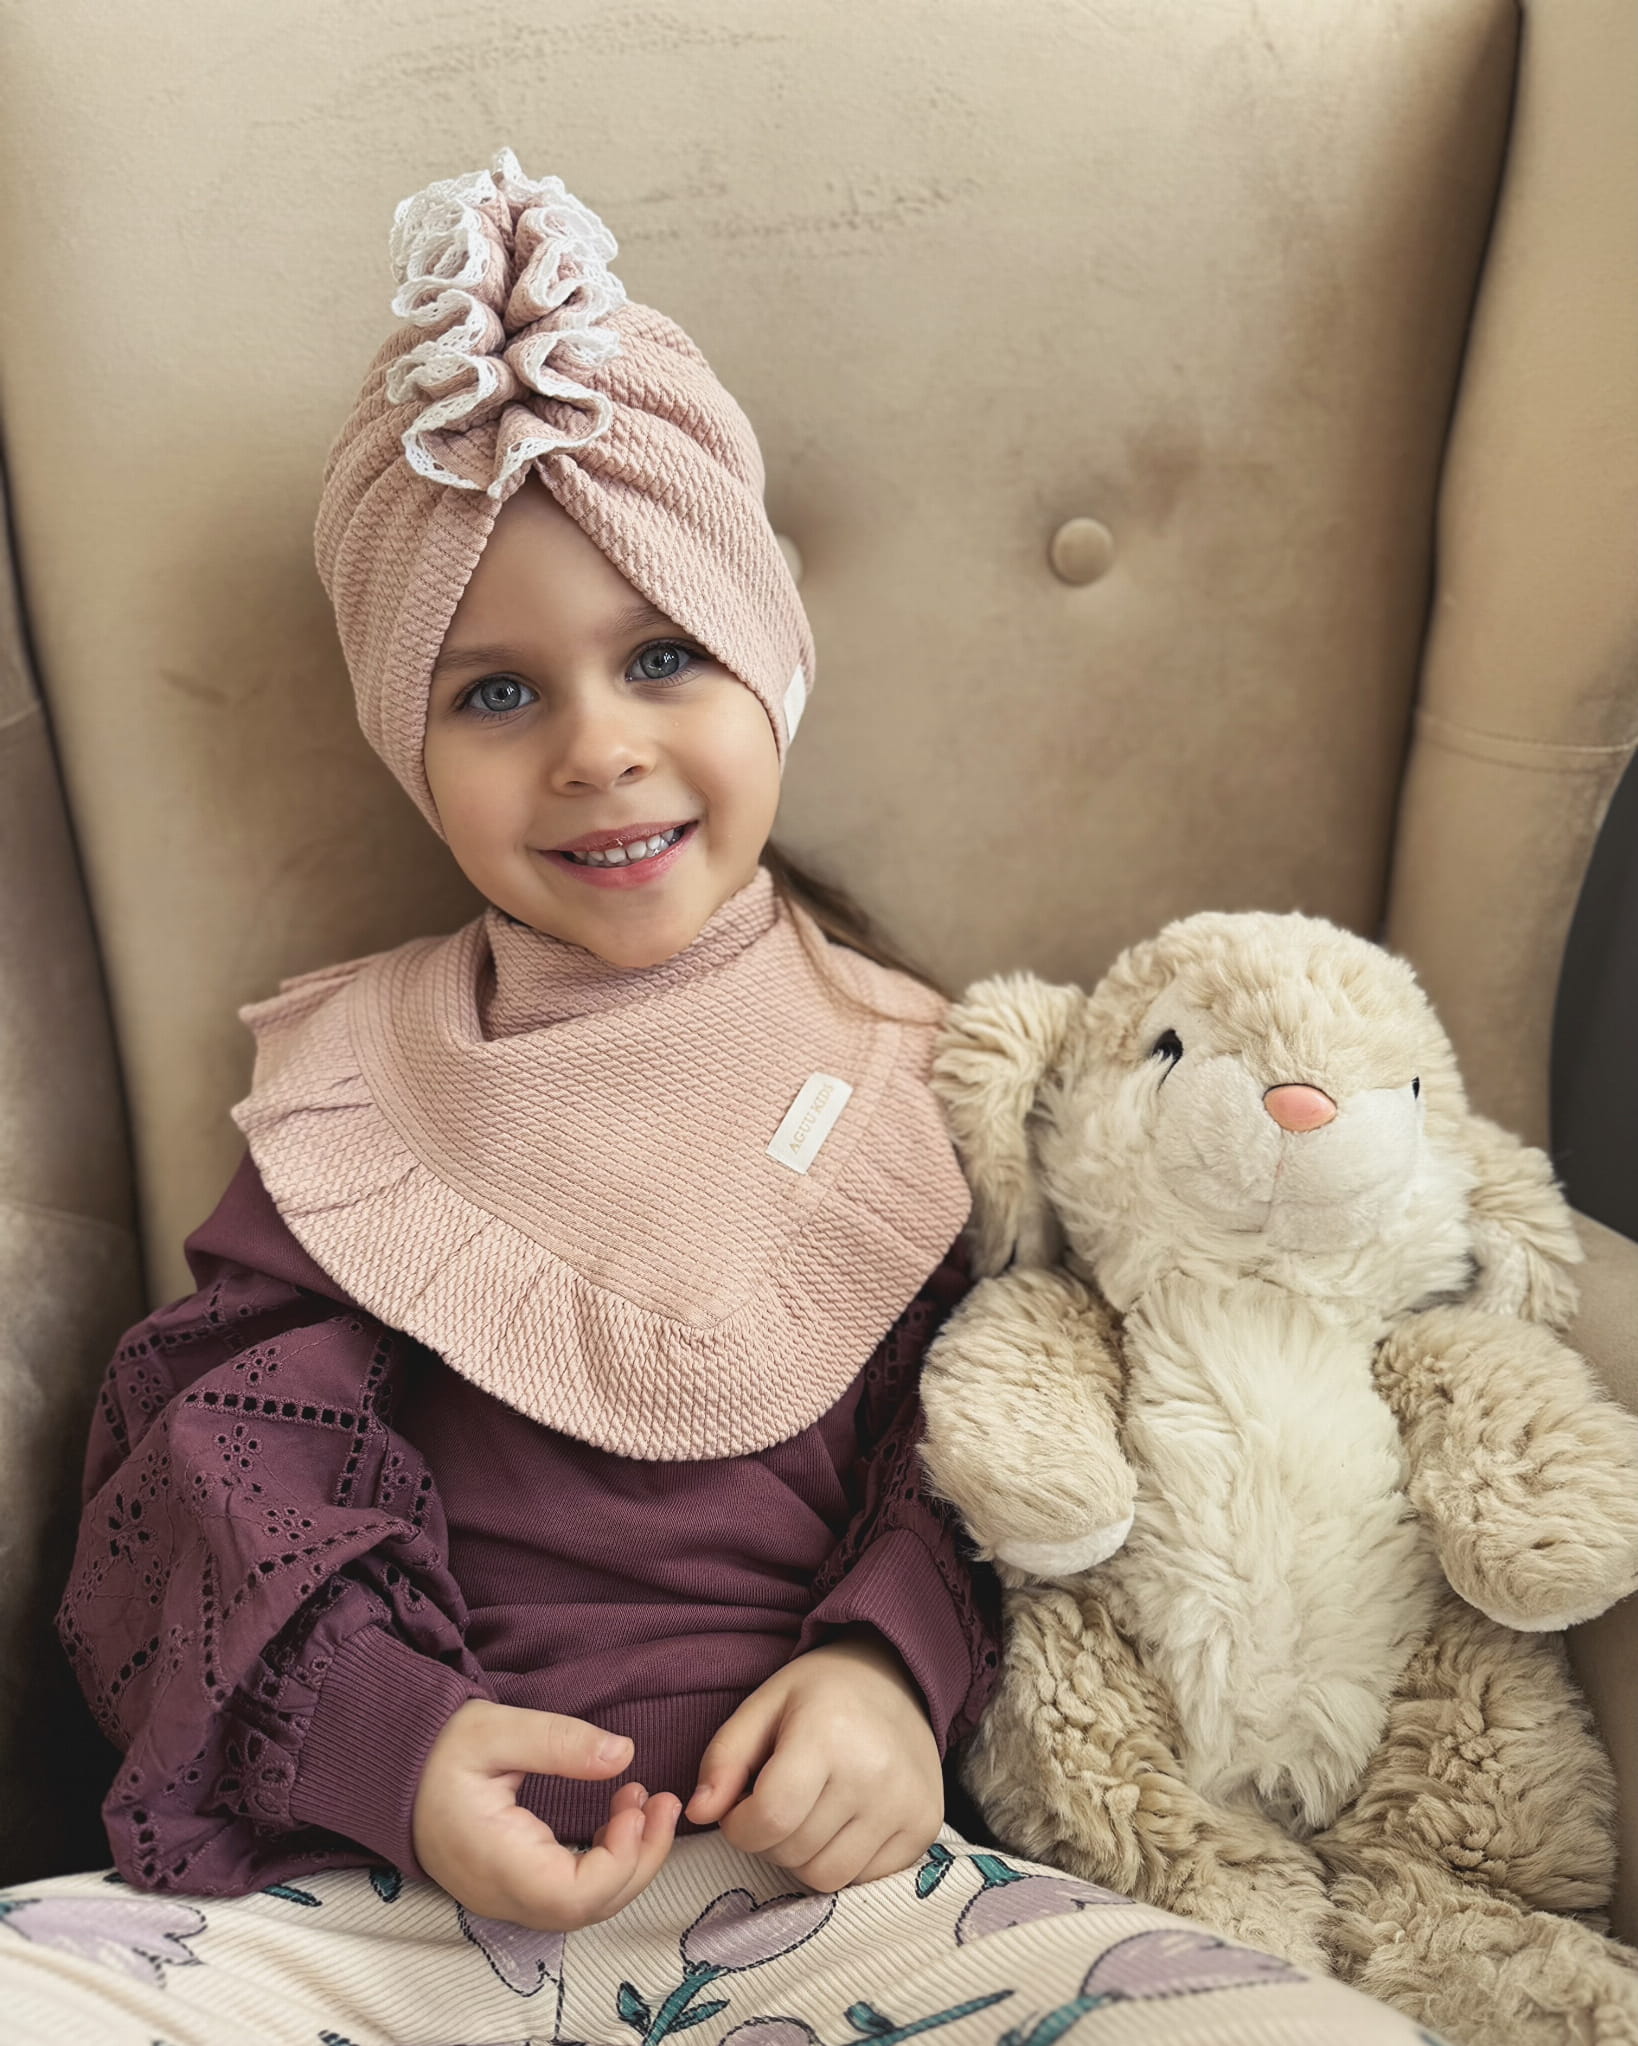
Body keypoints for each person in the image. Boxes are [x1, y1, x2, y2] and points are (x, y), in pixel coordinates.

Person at [1, 152, 1427, 2046]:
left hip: (832, 1897)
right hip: (390, 1895)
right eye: (494, 695)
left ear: (770, 665)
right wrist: (393, 1740)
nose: (599, 746)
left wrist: (884, 1676)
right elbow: (224, 1463)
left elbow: (985, 1453)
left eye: (661, 655)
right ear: (406, 748)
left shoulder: (927, 1068)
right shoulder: (357, 1093)